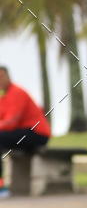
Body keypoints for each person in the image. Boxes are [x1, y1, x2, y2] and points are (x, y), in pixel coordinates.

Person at [0, 66, 51, 197]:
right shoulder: (4, 98)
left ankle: (1, 187)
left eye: (1, 76)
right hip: (23, 132)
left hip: (37, 133)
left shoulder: (17, 92)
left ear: (8, 77)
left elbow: (11, 122)